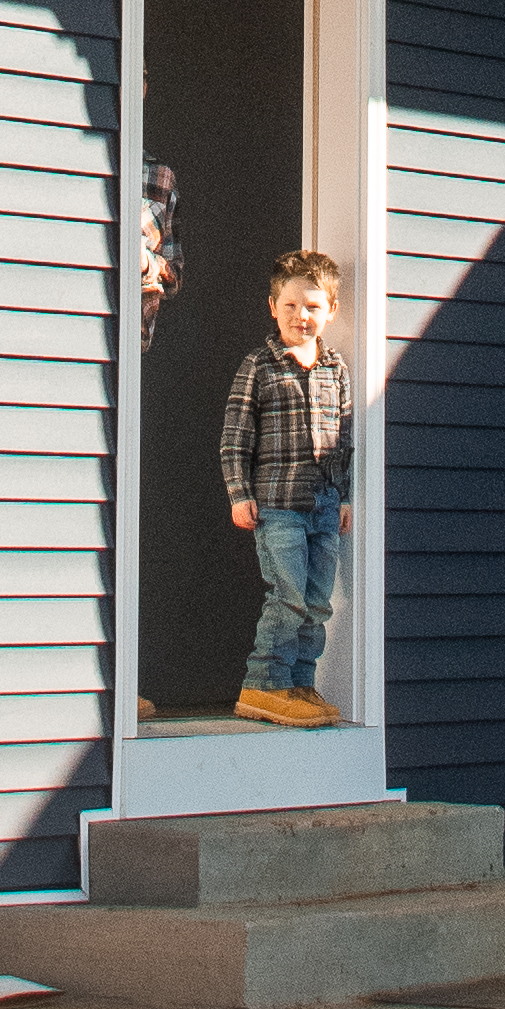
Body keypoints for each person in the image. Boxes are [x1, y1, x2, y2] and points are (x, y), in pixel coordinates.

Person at [219, 247, 353, 727]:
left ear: (330, 311)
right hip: (277, 505)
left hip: (323, 505)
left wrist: (346, 496)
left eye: (314, 307)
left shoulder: (335, 369)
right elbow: (235, 438)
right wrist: (240, 494)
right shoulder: (260, 365)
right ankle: (262, 685)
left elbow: (345, 437)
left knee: (317, 601)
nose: (302, 316)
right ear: (273, 306)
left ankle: (299, 683)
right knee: (288, 594)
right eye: (292, 306)